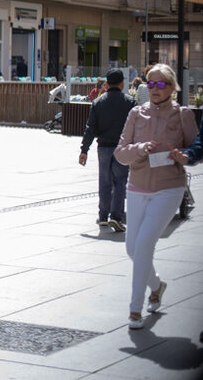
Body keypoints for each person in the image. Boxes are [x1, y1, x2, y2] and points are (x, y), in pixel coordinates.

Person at [114, 64, 198, 330]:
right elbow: (120, 152)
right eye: (150, 84)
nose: (155, 89)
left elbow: (195, 149)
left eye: (161, 84)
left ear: (173, 88)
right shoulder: (136, 113)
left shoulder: (183, 114)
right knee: (131, 249)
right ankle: (157, 285)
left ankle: (134, 309)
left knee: (144, 245)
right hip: (137, 185)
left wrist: (183, 156)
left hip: (168, 188)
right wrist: (139, 149)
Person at [79, 69, 136, 232]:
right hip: (121, 148)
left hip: (103, 147)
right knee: (120, 182)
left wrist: (84, 149)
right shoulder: (130, 102)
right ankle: (116, 217)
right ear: (122, 83)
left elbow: (90, 128)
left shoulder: (98, 103)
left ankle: (103, 215)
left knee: (104, 181)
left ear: (107, 83)